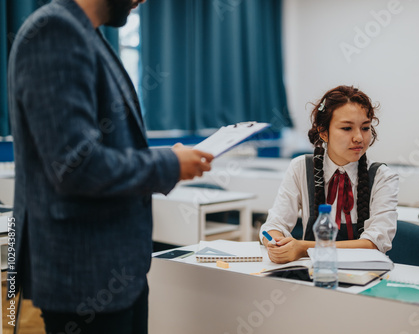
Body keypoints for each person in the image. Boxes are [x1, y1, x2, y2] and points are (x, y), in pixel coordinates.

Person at [7, 0, 213, 333]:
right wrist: (168, 165)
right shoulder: (56, 33)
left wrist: (167, 157)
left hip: (117, 272)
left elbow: (102, 146)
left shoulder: (87, 34)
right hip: (84, 278)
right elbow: (76, 165)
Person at [259, 85, 398, 264]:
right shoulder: (301, 167)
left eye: (365, 127)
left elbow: (373, 244)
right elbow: (274, 224)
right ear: (324, 133)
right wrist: (275, 241)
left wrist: (302, 248)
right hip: (312, 272)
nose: (359, 138)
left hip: (365, 276)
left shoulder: (382, 177)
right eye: (347, 128)